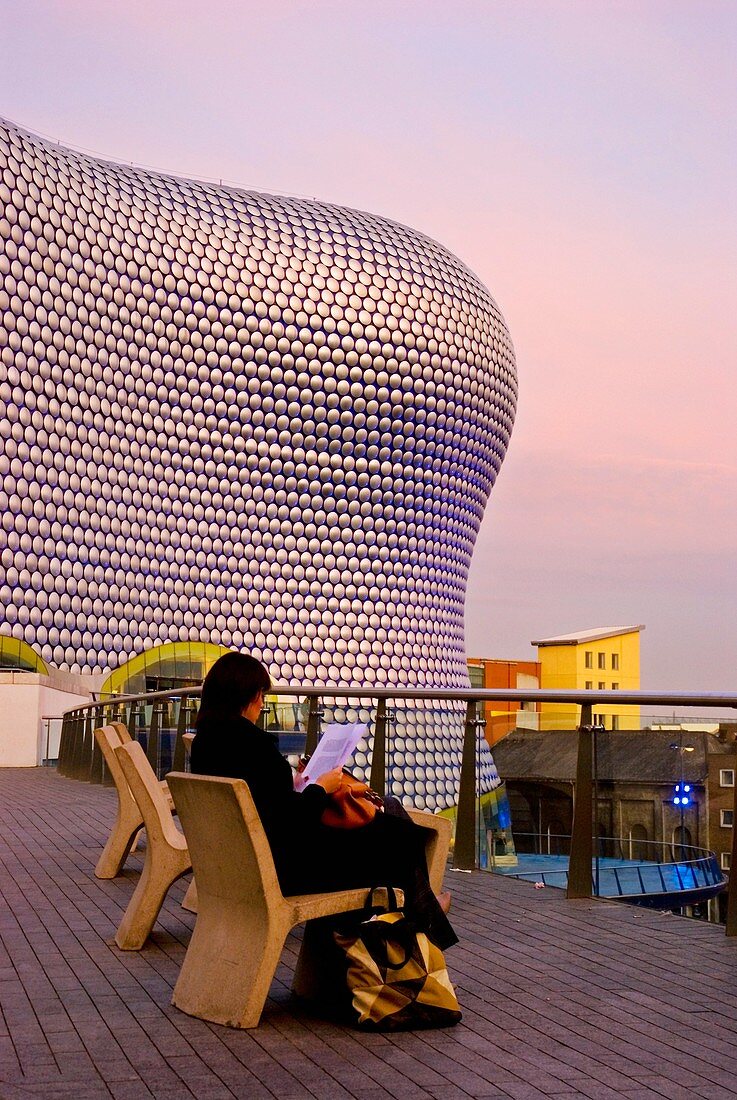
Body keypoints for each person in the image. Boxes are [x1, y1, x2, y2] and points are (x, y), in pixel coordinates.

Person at [190, 651, 457, 949]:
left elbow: (263, 802)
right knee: (401, 836)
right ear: (244, 696)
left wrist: (295, 785)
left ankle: (421, 915)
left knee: (390, 828)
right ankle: (421, 928)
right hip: (287, 869)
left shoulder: (205, 743)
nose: (262, 704)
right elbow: (288, 822)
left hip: (243, 865)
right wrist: (322, 787)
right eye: (260, 695)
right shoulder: (253, 745)